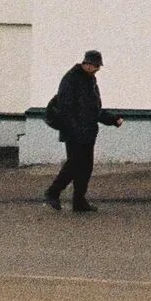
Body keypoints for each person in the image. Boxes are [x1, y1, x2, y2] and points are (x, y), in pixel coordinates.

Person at [43, 49, 121, 212]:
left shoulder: (90, 80)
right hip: (75, 132)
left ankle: (79, 201)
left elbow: (94, 109)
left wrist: (112, 119)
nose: (98, 69)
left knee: (85, 167)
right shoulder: (71, 79)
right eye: (96, 66)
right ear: (87, 64)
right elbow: (65, 108)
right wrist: (74, 129)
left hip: (88, 132)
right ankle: (53, 192)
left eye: (99, 66)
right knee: (74, 164)